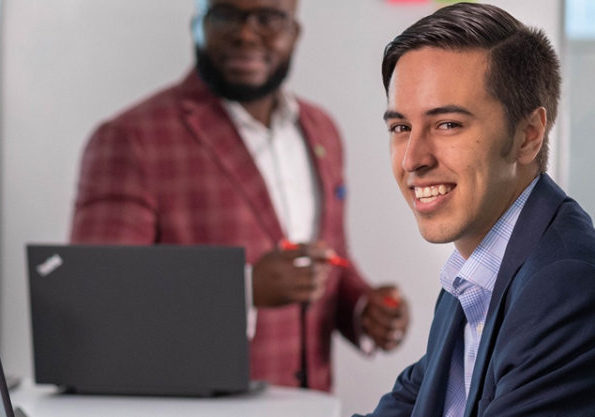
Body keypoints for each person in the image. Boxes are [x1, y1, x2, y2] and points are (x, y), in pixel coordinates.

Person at [70, 0, 409, 392]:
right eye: (227, 15)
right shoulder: (131, 140)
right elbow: (95, 303)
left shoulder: (322, 130)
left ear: (294, 31)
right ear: (197, 24)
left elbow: (330, 258)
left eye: (268, 17)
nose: (247, 34)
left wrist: (363, 310)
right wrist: (243, 290)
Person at [357, 3, 595, 416]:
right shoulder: (471, 281)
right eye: (401, 128)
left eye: (447, 124)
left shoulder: (570, 290)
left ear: (528, 135)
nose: (413, 158)